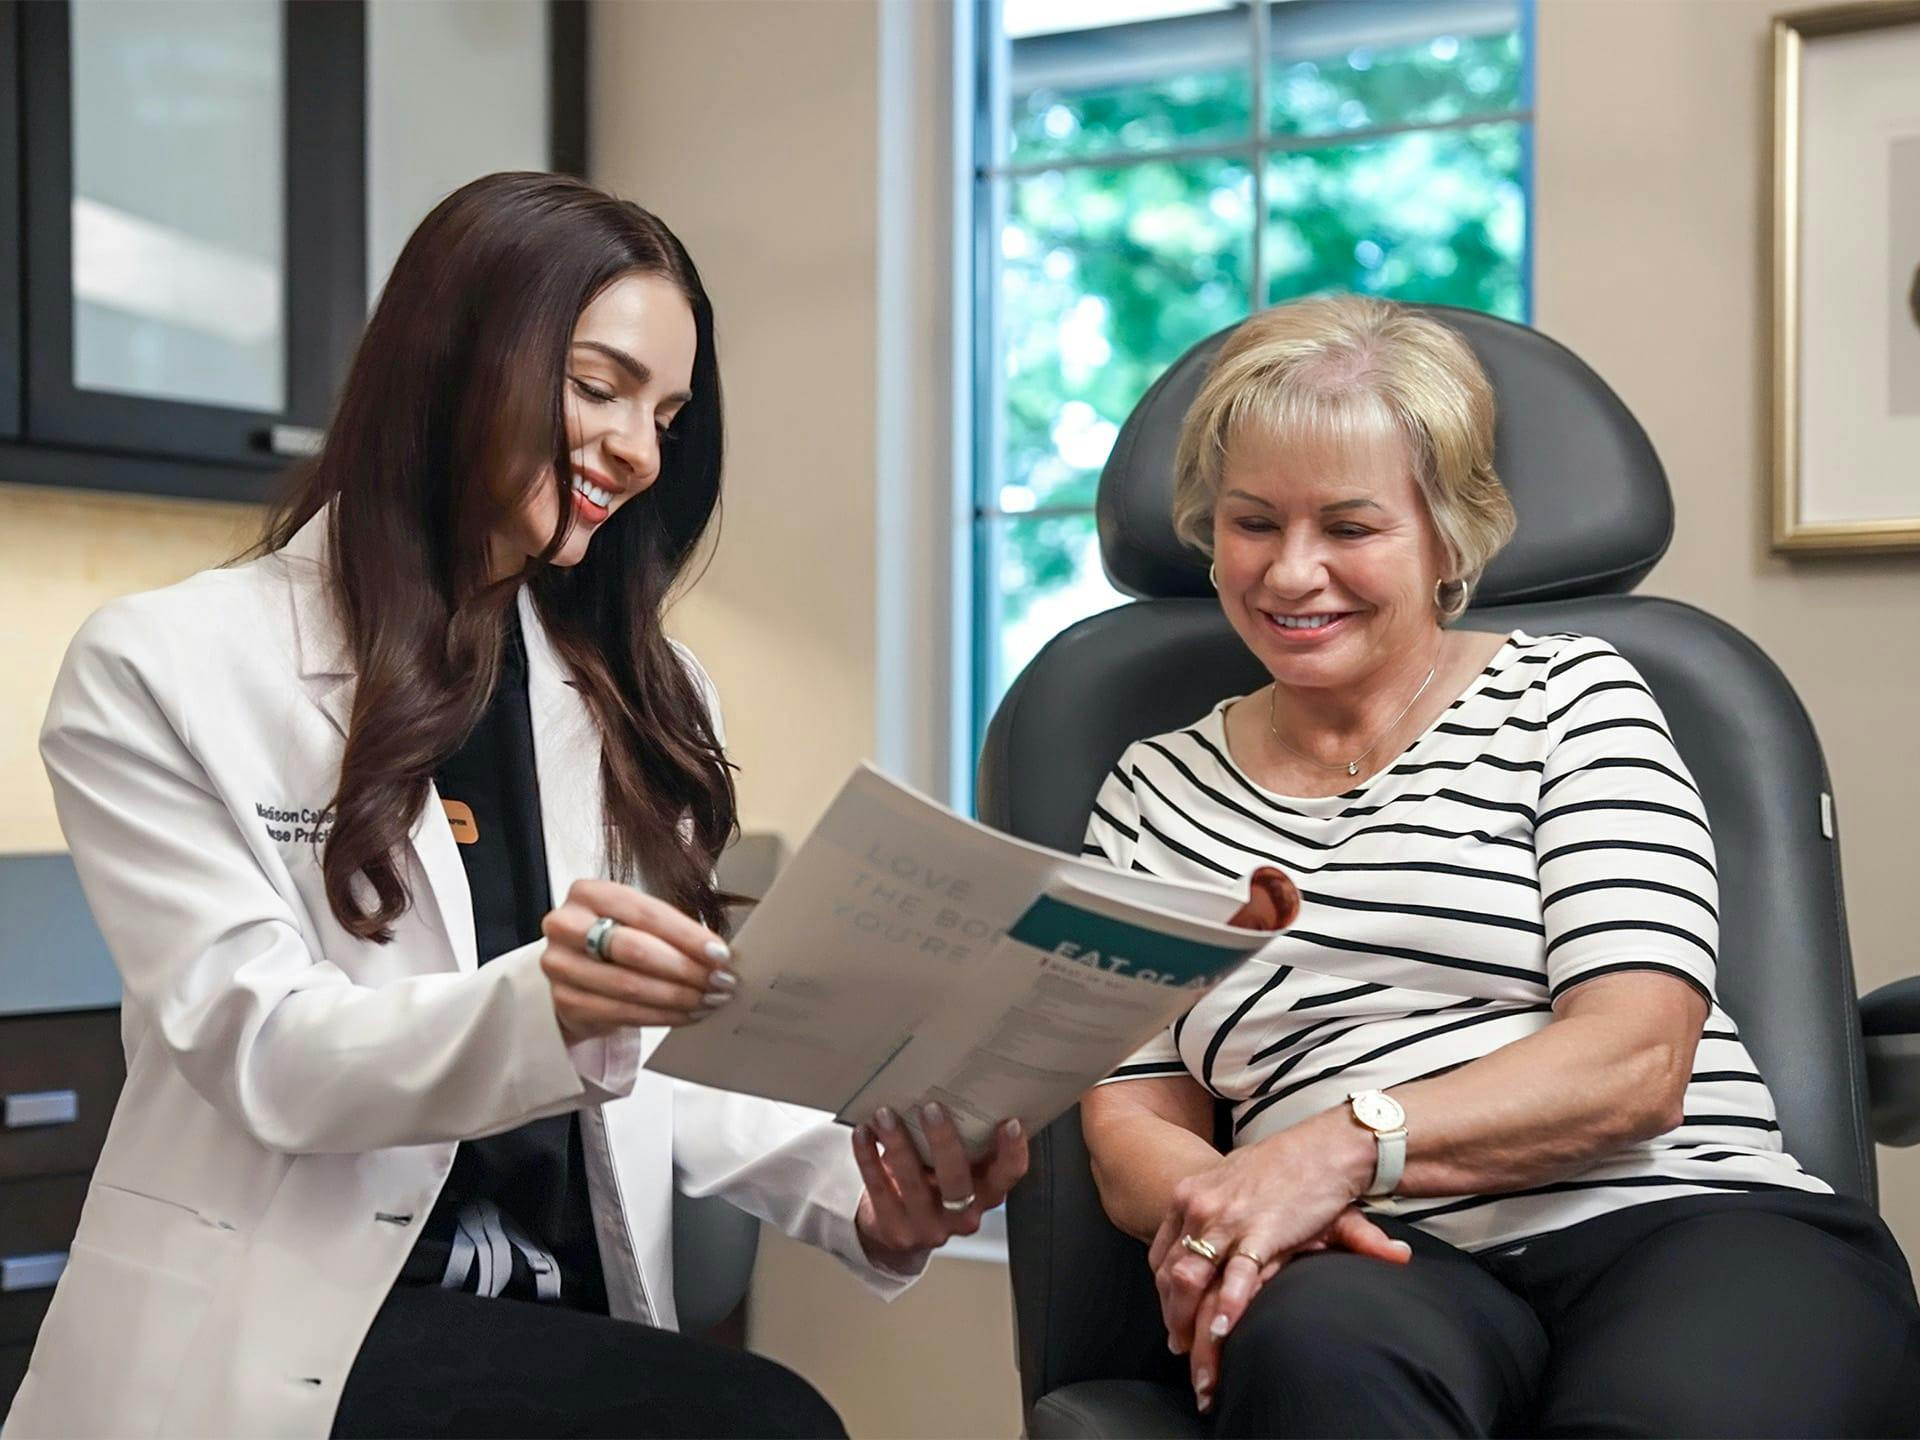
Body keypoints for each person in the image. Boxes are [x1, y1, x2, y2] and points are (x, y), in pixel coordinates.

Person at [9, 172, 1026, 1440]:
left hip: (558, 1314)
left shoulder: (646, 693)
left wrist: (861, 1193)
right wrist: (545, 1004)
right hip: (308, 1326)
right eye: (598, 388)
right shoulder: (163, 666)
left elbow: (657, 1072)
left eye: (666, 413)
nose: (640, 451)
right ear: (453, 359)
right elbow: (265, 1053)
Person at [1078, 295, 1920, 1437]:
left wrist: (1335, 1150)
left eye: (1350, 526)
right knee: (1322, 1359)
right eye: (1253, 524)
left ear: (1448, 536)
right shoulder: (1150, 786)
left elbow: (1636, 1057)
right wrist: (1222, 1206)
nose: (1292, 572)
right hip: (1372, 1258)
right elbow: (1131, 1108)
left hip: (1683, 1217)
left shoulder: (1573, 696)